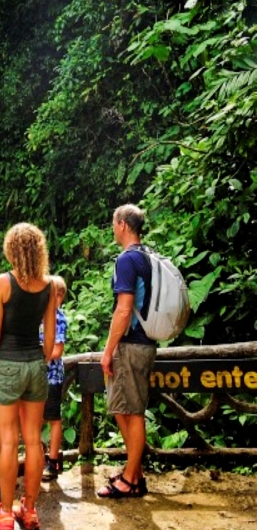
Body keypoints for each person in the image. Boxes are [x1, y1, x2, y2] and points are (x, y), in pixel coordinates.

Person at [0, 223, 56, 530]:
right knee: (34, 440)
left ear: (11, 249)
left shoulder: (1, 284)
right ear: (39, 251)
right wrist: (40, 358)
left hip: (6, 366)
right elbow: (49, 339)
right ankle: (31, 510)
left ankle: (6, 513)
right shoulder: (49, 286)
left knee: (9, 440)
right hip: (35, 364)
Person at [98, 204, 156, 498]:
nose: (112, 228)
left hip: (130, 343)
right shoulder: (148, 256)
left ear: (122, 224)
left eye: (113, 223)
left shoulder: (127, 260)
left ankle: (131, 480)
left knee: (130, 412)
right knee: (126, 409)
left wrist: (108, 350)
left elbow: (123, 310)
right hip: (145, 343)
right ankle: (136, 473)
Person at [41, 276, 69, 481]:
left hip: (52, 377)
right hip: (36, 378)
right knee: (35, 420)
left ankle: (53, 461)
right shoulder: (38, 317)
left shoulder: (59, 318)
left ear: (59, 297)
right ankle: (39, 457)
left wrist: (37, 357)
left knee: (53, 418)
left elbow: (57, 351)